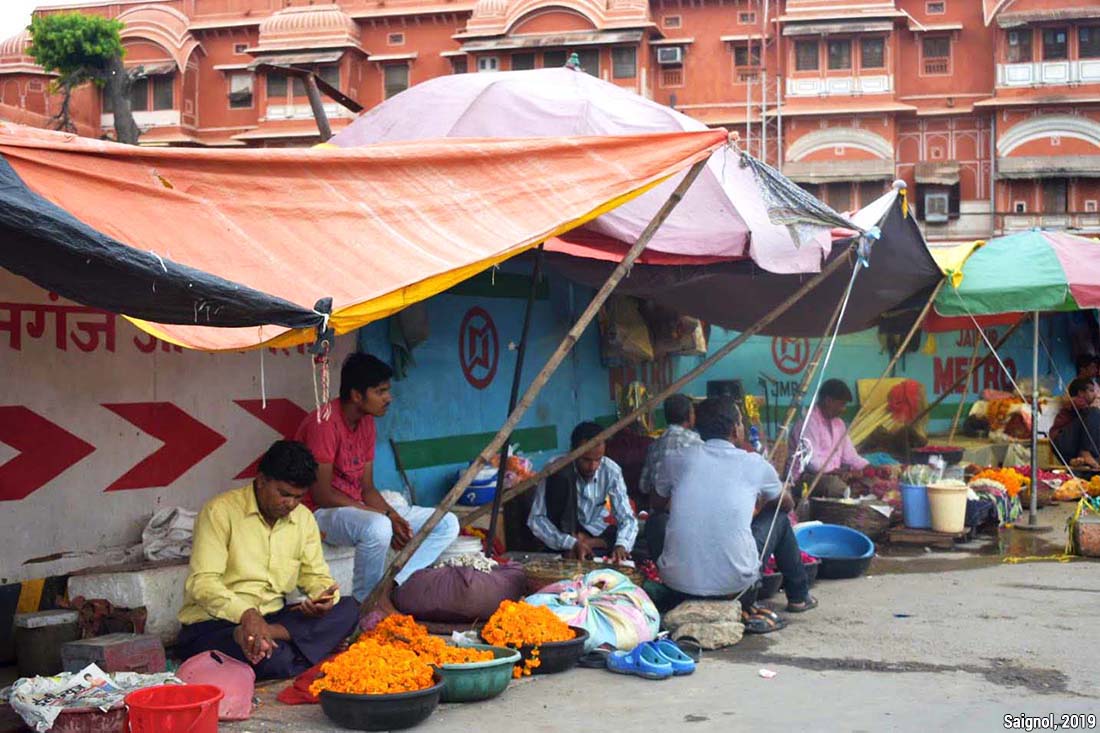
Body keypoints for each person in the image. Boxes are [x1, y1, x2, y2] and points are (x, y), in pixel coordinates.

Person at [176, 441, 358, 680]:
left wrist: (323, 597)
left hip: (275, 619)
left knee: (349, 608)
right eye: (284, 494)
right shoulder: (219, 511)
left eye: (298, 497)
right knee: (275, 659)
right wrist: (246, 614)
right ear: (261, 481)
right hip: (218, 624)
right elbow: (202, 583)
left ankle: (272, 635)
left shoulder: (303, 519)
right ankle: (308, 647)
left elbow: (316, 576)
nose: (291, 504)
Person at [295, 353, 459, 608]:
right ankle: (365, 603)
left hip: (358, 509)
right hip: (319, 514)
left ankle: (391, 587)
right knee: (378, 526)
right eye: (380, 391)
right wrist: (384, 516)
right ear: (357, 395)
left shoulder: (367, 422)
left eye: (388, 390)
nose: (388, 398)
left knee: (446, 522)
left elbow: (367, 488)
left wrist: (395, 516)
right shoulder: (325, 423)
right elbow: (322, 496)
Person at [655, 398, 815, 632]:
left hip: (677, 588)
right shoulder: (753, 463)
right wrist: (759, 506)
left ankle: (681, 584)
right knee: (779, 519)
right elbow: (786, 504)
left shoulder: (678, 459)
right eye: (741, 423)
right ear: (734, 429)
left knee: (656, 522)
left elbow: (657, 503)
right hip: (738, 590)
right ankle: (799, 596)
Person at [527, 421, 639, 562]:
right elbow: (536, 519)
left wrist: (621, 546)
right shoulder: (555, 469)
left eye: (598, 459)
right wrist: (571, 542)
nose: (592, 467)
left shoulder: (610, 470)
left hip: (595, 532)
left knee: (626, 536)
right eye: (586, 460)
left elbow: (627, 518)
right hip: (564, 533)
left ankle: (588, 543)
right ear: (573, 452)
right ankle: (580, 545)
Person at [639, 393, 701, 559]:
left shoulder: (654, 445)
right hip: (689, 517)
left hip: (658, 520)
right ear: (689, 415)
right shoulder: (697, 443)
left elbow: (643, 486)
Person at [793, 378, 869, 498]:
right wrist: (837, 472)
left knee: (868, 482)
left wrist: (867, 468)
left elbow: (850, 456)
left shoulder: (839, 424)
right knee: (834, 486)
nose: (844, 410)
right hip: (805, 478)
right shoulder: (808, 421)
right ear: (828, 401)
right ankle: (847, 494)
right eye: (842, 404)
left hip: (834, 476)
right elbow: (811, 463)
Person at [1051, 378, 1100, 469]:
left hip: (1067, 446)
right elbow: (1092, 413)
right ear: (1081, 393)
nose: (1095, 394)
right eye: (1091, 391)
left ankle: (1076, 460)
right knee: (1094, 413)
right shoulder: (1076, 401)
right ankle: (1085, 452)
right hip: (1061, 440)